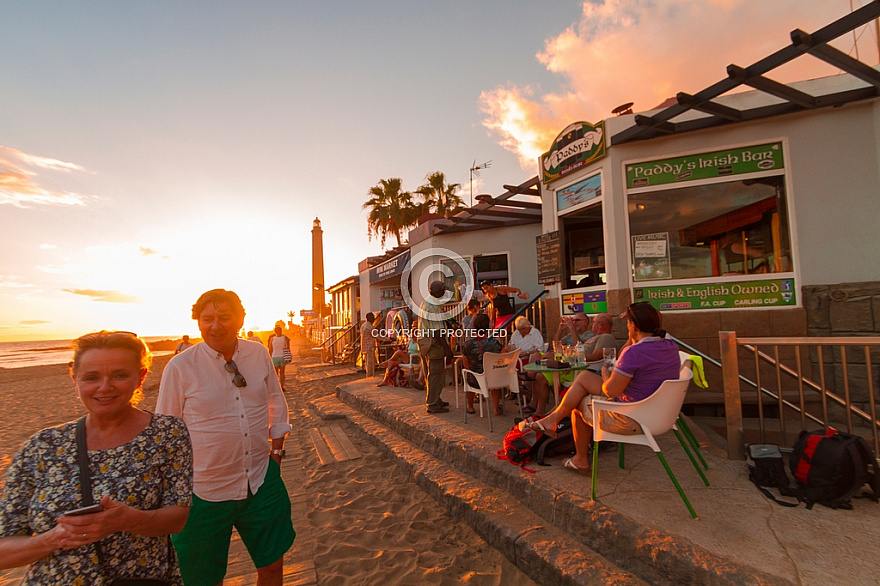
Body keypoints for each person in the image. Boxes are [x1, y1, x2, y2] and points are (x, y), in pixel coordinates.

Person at [0, 331, 193, 584]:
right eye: (91, 377)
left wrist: (128, 520)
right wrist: (55, 537)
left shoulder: (167, 433)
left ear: (140, 377)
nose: (105, 387)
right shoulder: (41, 446)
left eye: (120, 375)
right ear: (74, 379)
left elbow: (177, 518)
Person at [157, 289, 294, 586]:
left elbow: (275, 400)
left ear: (240, 319)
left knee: (272, 567)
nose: (215, 326)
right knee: (205, 580)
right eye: (207, 319)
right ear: (198, 322)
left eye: (224, 317)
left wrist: (276, 454)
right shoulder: (180, 367)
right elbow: (167, 433)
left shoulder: (257, 353)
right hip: (202, 493)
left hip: (260, 481)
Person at [522, 303, 680, 475]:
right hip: (660, 413)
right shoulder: (670, 345)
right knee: (583, 378)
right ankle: (553, 419)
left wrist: (606, 375)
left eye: (629, 324)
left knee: (577, 404)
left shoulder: (635, 353)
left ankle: (580, 459)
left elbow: (611, 391)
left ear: (633, 326)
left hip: (631, 418)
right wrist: (633, 331)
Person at [418, 281, 453, 414]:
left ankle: (435, 399)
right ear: (438, 292)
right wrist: (447, 348)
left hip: (425, 343)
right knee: (436, 374)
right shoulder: (433, 307)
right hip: (434, 344)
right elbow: (437, 332)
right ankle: (432, 404)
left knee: (430, 374)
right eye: (443, 291)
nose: (445, 293)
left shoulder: (425, 302)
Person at [461, 313, 504, 415]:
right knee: (494, 377)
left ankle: (470, 406)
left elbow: (467, 366)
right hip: (492, 380)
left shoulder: (467, 345)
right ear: (488, 327)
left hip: (475, 381)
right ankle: (496, 409)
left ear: (474, 326)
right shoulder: (495, 344)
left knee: (469, 374)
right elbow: (504, 357)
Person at [360, 312, 379, 378]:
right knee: (370, 364)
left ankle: (368, 377)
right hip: (370, 347)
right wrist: (389, 338)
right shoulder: (370, 327)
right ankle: (369, 378)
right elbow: (378, 336)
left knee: (367, 363)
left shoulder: (363, 326)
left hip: (364, 347)